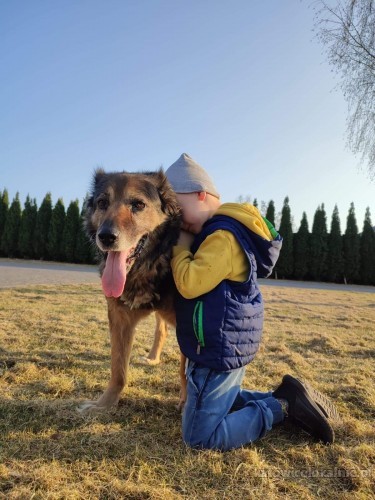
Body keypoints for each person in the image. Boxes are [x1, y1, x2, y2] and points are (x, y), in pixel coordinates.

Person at [165, 153, 339, 451]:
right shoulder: (222, 230)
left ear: (201, 194)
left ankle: (281, 408)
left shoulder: (222, 238)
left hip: (217, 352)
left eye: (178, 212)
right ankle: (287, 396)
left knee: (199, 438)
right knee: (223, 398)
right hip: (224, 345)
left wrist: (178, 248)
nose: (177, 223)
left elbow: (190, 283)